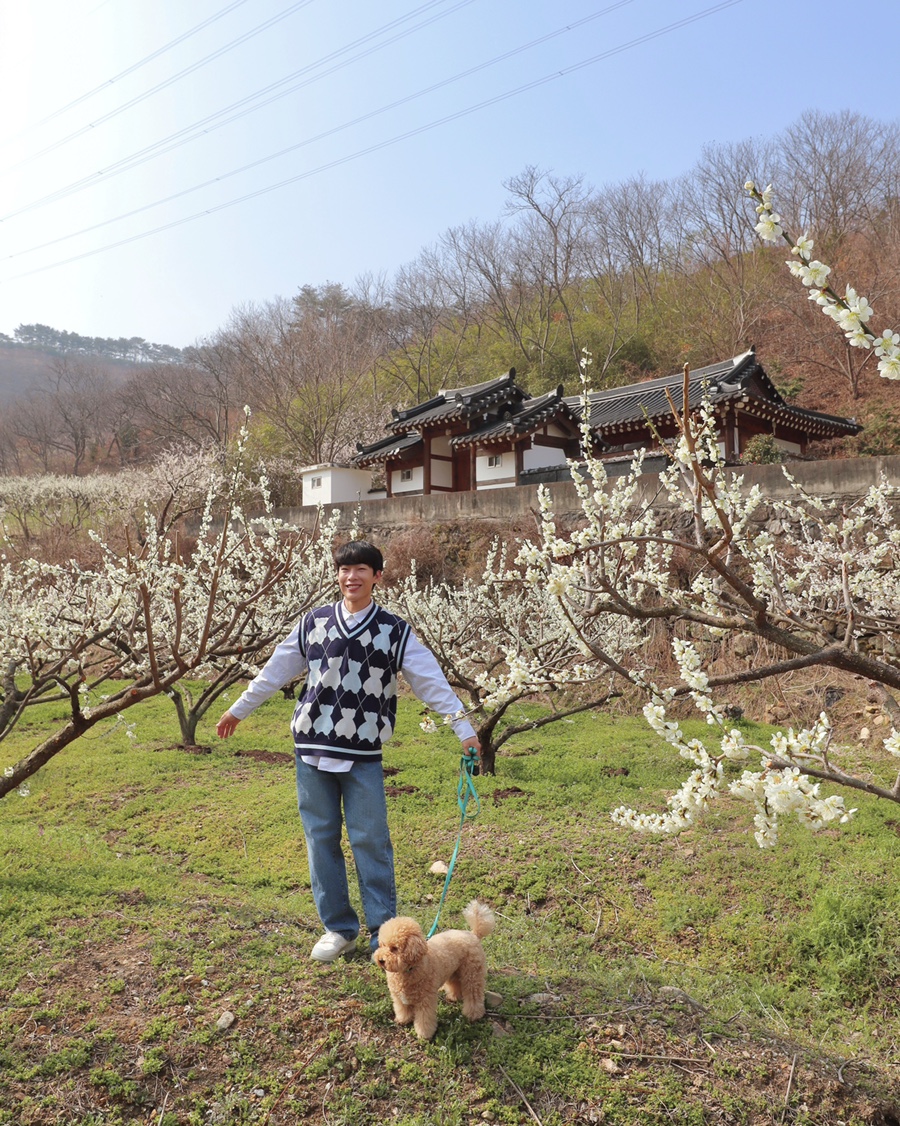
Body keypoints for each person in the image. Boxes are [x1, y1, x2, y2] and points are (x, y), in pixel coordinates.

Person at [216, 540, 480, 963]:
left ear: (377, 576)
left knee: (370, 840)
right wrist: (238, 710)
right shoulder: (314, 623)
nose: (350, 576)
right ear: (337, 574)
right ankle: (338, 928)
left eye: (360, 569)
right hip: (310, 748)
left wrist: (463, 729)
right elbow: (275, 671)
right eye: (344, 569)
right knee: (320, 838)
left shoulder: (395, 631)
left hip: (362, 753)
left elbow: (431, 682)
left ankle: (383, 935)